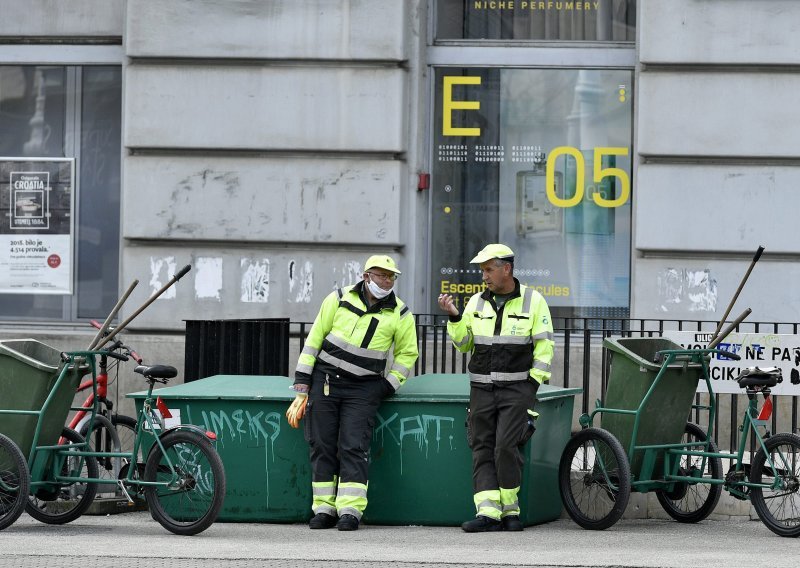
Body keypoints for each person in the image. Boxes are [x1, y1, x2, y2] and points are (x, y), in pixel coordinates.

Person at [286, 254, 419, 531]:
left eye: (391, 276)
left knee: (353, 447)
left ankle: (350, 511)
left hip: (364, 388)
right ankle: (323, 509)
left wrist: (388, 385)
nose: (387, 281)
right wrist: (302, 384)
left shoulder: (400, 313)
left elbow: (408, 354)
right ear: (366, 275)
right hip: (326, 381)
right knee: (321, 444)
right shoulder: (338, 298)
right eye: (382, 275)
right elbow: (315, 339)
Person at [438, 243, 554, 533]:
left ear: (507, 269)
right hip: (481, 389)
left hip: (517, 389)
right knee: (482, 447)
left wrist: (533, 384)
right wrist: (454, 316)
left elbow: (545, 345)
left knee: (505, 447)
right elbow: (464, 344)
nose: (484, 276)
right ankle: (487, 513)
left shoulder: (533, 301)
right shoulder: (477, 302)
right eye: (482, 271)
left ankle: (510, 510)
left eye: (489, 270)